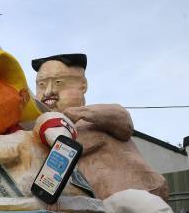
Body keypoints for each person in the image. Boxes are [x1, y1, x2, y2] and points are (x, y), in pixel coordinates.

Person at [32, 53, 169, 201]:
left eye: (59, 82)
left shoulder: (94, 119)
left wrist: (75, 113)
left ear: (83, 85)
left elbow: (123, 121)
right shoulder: (39, 132)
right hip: (91, 210)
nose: (48, 92)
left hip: (139, 197)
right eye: (41, 85)